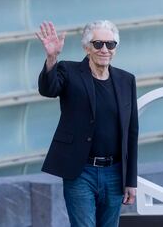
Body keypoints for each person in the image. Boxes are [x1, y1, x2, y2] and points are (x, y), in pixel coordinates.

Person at [35, 20, 139, 227]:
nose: (104, 49)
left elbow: (132, 131)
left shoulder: (126, 80)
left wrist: (130, 180)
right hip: (81, 171)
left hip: (115, 173)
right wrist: (51, 58)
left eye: (110, 44)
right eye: (98, 43)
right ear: (86, 47)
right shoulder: (68, 71)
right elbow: (49, 89)